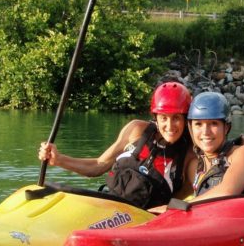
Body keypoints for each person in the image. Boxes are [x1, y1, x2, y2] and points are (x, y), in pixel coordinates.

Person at [38, 82, 194, 209]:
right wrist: (58, 160)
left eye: (176, 118)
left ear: (185, 119)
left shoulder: (189, 157)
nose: (170, 125)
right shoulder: (137, 130)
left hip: (144, 221)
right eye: (164, 118)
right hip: (107, 204)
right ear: (155, 117)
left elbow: (177, 201)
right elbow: (97, 166)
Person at [185, 91, 244, 202]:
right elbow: (179, 197)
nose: (205, 132)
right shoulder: (195, 167)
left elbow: (227, 192)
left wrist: (176, 208)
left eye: (214, 123)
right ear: (191, 128)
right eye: (198, 124)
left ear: (226, 128)